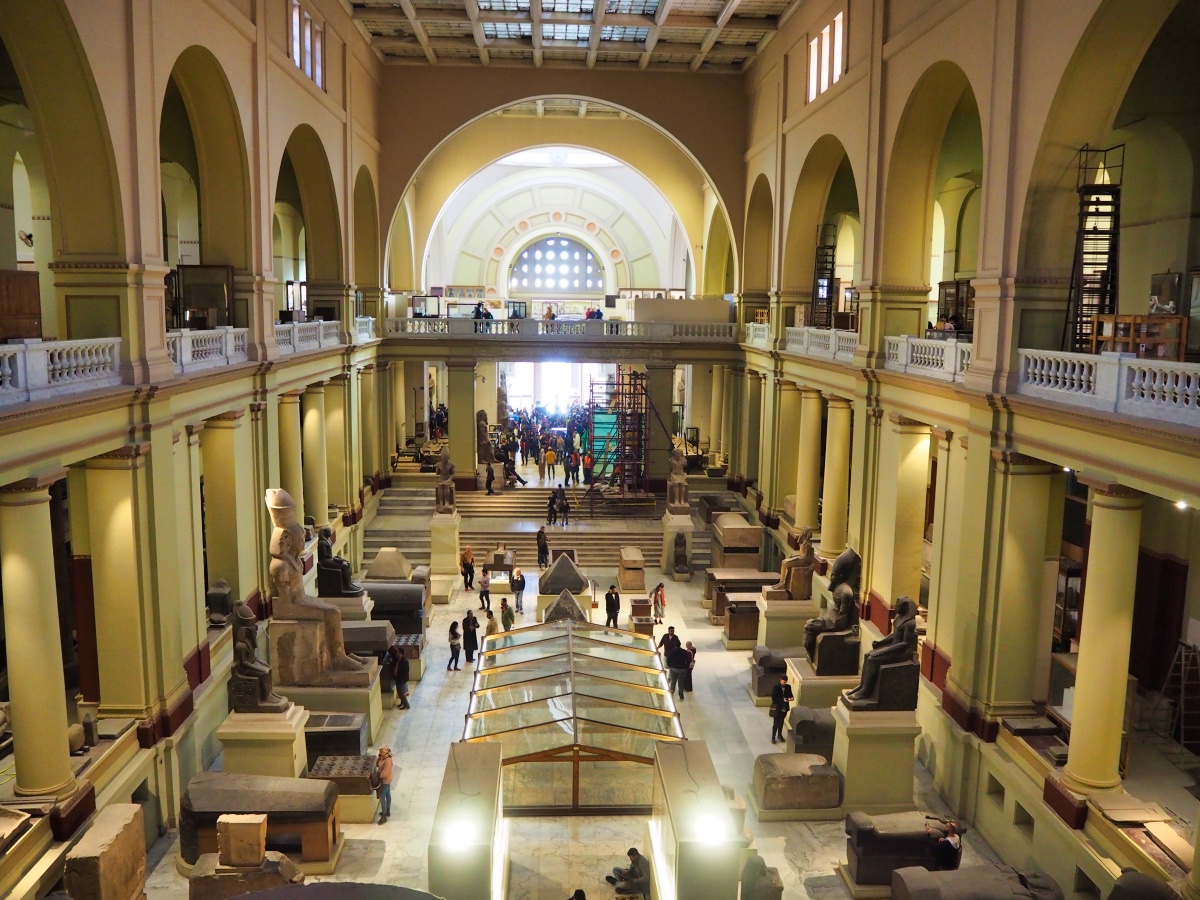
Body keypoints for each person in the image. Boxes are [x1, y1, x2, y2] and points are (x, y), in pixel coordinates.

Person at [770, 674, 793, 744]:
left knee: (781, 722)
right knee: (776, 722)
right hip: (777, 707)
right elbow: (773, 698)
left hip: (784, 707)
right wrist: (782, 700)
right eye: (783, 682)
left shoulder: (788, 687)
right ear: (780, 681)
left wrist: (790, 698)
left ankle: (779, 735)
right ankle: (773, 737)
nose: (784, 684)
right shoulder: (776, 687)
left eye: (785, 682)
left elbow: (790, 695)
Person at [386, 643, 410, 709]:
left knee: (401, 693)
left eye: (398, 652)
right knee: (399, 692)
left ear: (401, 653)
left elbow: (404, 671)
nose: (397, 653)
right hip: (398, 679)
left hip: (401, 679)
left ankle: (406, 704)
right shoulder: (398, 660)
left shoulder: (404, 661)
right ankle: (402, 703)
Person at [375, 745, 394, 824]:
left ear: (386, 752)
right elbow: (377, 764)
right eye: (380, 752)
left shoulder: (388, 761)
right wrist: (379, 757)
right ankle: (387, 811)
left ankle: (384, 816)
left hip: (385, 780)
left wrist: (377, 776)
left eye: (381, 752)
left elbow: (385, 773)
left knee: (382, 797)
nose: (380, 753)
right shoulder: (383, 758)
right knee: (387, 794)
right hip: (386, 779)